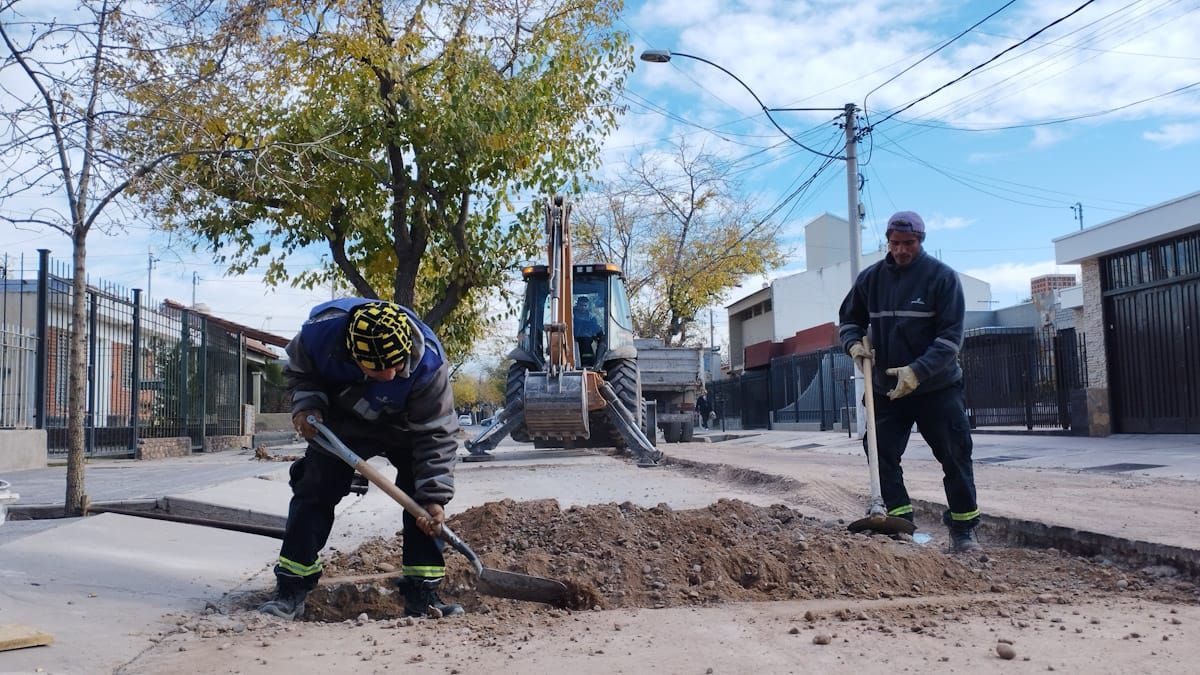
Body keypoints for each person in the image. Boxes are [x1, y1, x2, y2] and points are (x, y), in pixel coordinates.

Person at [259, 298, 463, 620]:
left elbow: (436, 435)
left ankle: (423, 595)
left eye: (396, 366)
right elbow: (301, 374)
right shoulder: (318, 337)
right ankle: (292, 587)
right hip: (344, 422)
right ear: (352, 355)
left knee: (423, 502)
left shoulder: (428, 367)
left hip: (408, 428)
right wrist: (307, 405)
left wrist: (434, 496)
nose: (389, 375)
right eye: (377, 369)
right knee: (315, 486)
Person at [837, 211, 981, 553]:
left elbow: (950, 339)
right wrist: (853, 344)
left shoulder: (942, 279)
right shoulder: (870, 280)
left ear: (921, 241)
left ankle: (963, 530)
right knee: (880, 451)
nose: (901, 250)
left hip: (937, 387)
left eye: (909, 244)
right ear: (887, 242)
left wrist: (917, 371)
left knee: (955, 454)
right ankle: (898, 524)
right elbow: (848, 320)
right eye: (895, 244)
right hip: (887, 389)